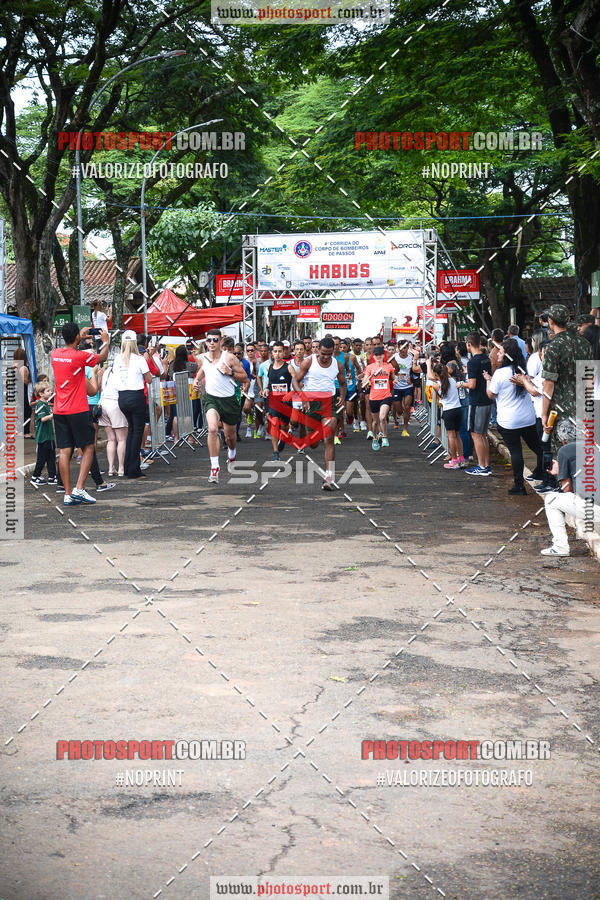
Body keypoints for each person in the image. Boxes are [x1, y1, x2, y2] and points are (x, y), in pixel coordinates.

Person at [50, 322, 109, 505]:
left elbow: (67, 349)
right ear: (77, 337)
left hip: (59, 410)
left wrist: (78, 337)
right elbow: (101, 357)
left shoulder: (54, 354)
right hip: (78, 409)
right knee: (88, 447)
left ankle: (67, 493)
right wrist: (106, 342)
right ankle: (80, 489)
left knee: (65, 451)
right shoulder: (81, 357)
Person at [485, 338, 541, 495]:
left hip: (509, 421)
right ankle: (544, 473)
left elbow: (491, 394)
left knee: (516, 452)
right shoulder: (524, 371)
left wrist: (488, 381)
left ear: (507, 355)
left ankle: (519, 485)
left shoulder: (500, 373)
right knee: (537, 447)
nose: (497, 355)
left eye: (501, 352)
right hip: (528, 417)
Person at [193, 329, 249, 484]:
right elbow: (202, 371)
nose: (212, 343)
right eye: (209, 340)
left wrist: (230, 372)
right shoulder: (203, 358)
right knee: (212, 429)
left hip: (229, 400)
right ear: (206, 342)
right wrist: (196, 382)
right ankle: (214, 468)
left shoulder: (229, 358)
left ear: (220, 342)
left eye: (215, 340)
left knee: (230, 437)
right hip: (211, 399)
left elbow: (244, 377)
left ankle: (232, 453)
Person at [291, 336, 346, 491]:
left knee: (328, 437)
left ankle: (329, 477)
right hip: (310, 402)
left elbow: (342, 383)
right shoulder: (309, 361)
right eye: (323, 353)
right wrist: (303, 397)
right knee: (314, 444)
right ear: (317, 350)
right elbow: (295, 381)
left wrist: (342, 395)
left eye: (329, 354)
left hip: (329, 402)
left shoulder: (337, 365)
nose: (325, 357)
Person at [541, 419, 600, 555]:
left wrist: (558, 473)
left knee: (550, 500)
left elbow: (567, 490)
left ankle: (560, 547)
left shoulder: (565, 450)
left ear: (562, 439)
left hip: (594, 509)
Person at [541, 304, 592, 455]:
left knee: (563, 457)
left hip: (560, 411)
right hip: (583, 408)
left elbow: (549, 384)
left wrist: (544, 413)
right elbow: (590, 379)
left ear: (550, 321)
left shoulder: (552, 347)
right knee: (582, 457)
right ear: (568, 319)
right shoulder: (586, 344)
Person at [114, 330, 152, 479]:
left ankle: (128, 466)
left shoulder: (117, 359)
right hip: (136, 397)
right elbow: (149, 379)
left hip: (122, 398)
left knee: (131, 431)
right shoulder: (139, 359)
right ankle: (133, 469)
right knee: (136, 432)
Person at [459, 332, 492, 476]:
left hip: (476, 401)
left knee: (476, 435)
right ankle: (485, 465)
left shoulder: (472, 362)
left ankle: (481, 465)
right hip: (486, 399)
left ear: (468, 344)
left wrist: (461, 383)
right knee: (483, 435)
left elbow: (472, 384)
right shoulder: (486, 358)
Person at [262, 340, 293, 461]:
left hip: (285, 401)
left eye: (280, 351)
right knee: (274, 423)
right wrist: (265, 389)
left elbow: (297, 383)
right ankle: (275, 452)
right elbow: (269, 381)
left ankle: (283, 439)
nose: (278, 354)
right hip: (273, 400)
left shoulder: (289, 367)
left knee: (284, 426)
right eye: (275, 351)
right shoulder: (269, 367)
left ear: (284, 352)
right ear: (272, 353)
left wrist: (290, 394)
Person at [98, 356, 128, 477]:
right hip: (115, 404)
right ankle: (121, 468)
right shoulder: (122, 374)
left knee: (111, 439)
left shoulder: (107, 372)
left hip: (103, 404)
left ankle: (111, 468)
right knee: (121, 439)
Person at [429, 361, 464, 468]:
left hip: (448, 411)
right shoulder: (453, 381)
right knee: (457, 435)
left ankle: (454, 460)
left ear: (437, 375)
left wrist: (427, 365)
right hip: (458, 409)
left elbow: (431, 377)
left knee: (451, 436)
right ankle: (461, 459)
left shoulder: (437, 385)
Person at [362, 345, 394, 451]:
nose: (378, 357)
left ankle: (384, 437)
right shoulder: (370, 367)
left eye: (380, 355)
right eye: (376, 355)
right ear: (373, 356)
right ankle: (375, 438)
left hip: (386, 396)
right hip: (374, 397)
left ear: (383, 356)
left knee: (382, 417)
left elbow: (392, 377)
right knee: (375, 422)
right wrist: (367, 380)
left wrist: (395, 380)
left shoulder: (388, 366)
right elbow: (364, 381)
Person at [30, 381, 57, 486]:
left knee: (51, 456)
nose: (50, 392)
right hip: (43, 436)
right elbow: (42, 419)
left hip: (49, 435)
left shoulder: (46, 403)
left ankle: (52, 476)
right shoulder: (40, 405)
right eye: (48, 391)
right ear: (41, 394)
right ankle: (35, 476)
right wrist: (53, 415)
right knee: (42, 458)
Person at [391, 340, 419, 436]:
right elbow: (389, 370)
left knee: (407, 407)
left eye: (405, 348)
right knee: (399, 410)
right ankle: (398, 416)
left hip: (408, 386)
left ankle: (405, 429)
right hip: (396, 386)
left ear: (408, 348)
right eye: (402, 348)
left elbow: (416, 372)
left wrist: (412, 379)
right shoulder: (394, 357)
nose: (403, 350)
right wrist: (393, 378)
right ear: (398, 348)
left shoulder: (411, 358)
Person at [12, 347, 33, 437]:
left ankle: (20, 430)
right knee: (26, 410)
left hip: (17, 390)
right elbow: (25, 381)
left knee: (20, 411)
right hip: (24, 391)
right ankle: (26, 432)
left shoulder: (14, 366)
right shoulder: (23, 367)